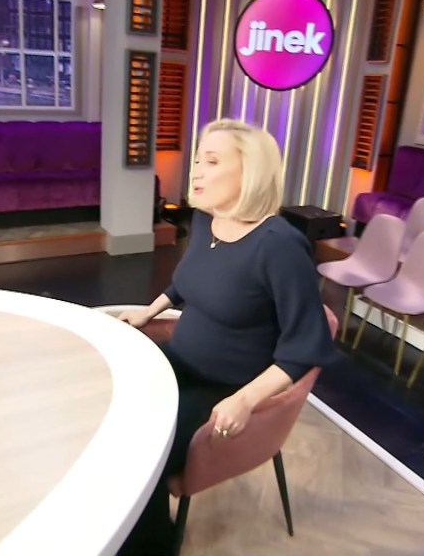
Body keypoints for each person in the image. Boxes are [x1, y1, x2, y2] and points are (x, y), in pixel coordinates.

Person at [116, 118, 340, 555]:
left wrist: (245, 400)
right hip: (179, 361)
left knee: (140, 451)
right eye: (198, 159)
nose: (196, 170)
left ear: (250, 172)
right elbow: (187, 283)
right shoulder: (206, 222)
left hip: (225, 387)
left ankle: (150, 544)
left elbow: (306, 346)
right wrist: (150, 310)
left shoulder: (279, 245)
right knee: (113, 407)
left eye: (212, 161)